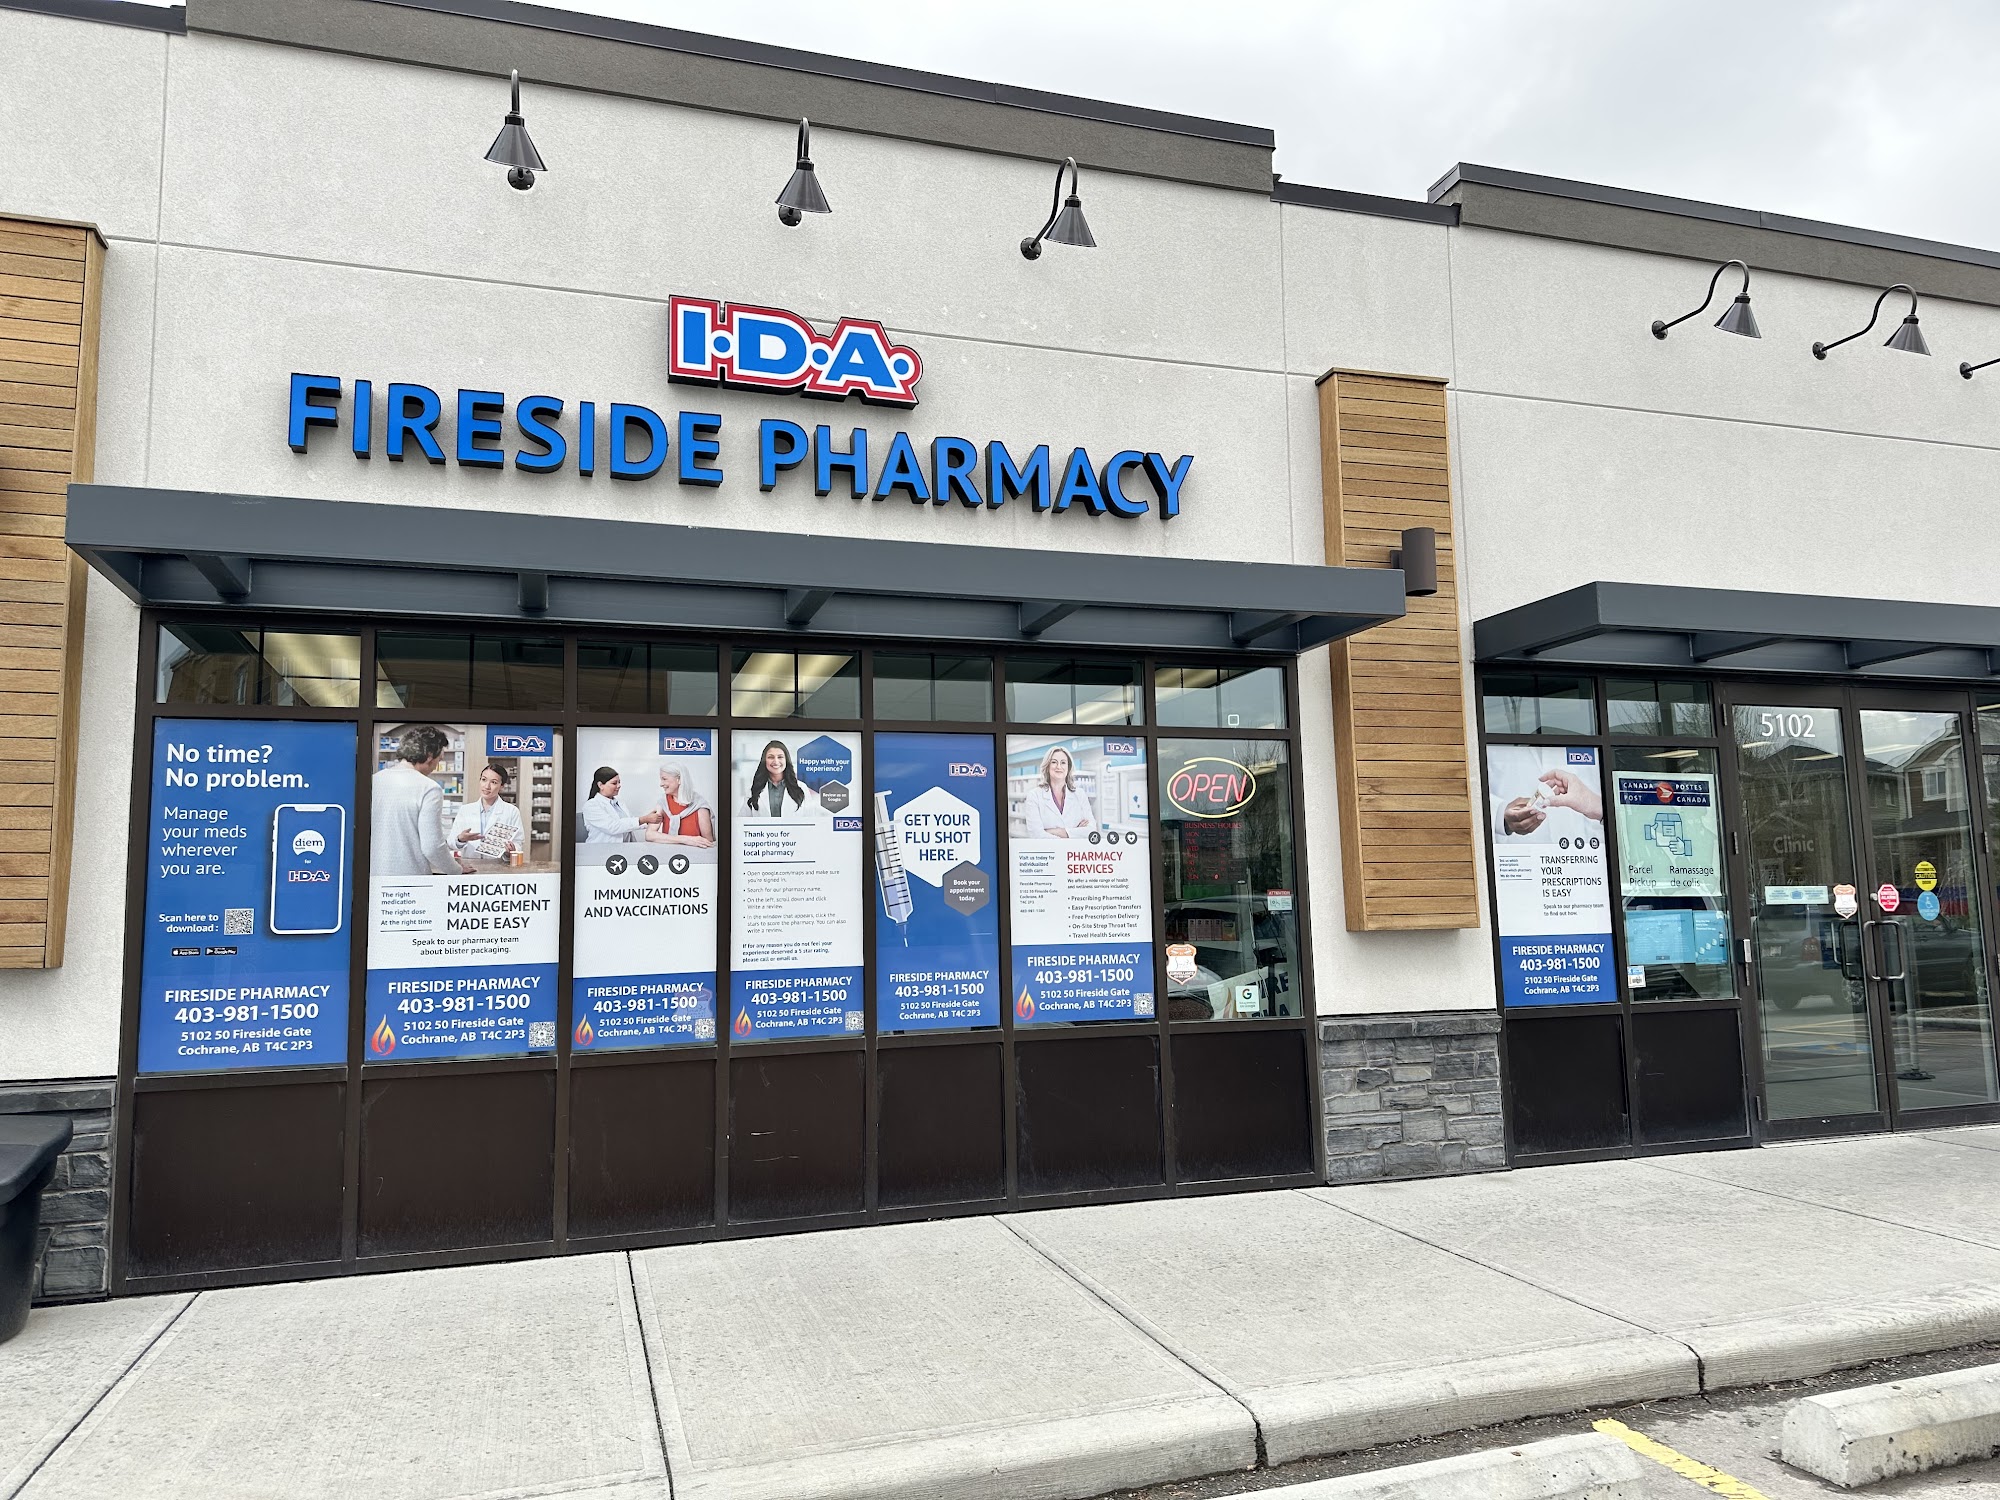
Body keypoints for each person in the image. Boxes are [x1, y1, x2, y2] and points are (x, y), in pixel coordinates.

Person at [371, 725, 455, 876]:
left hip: (373, 875)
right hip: (410, 879)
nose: (436, 766)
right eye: (439, 759)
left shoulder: (374, 780)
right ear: (429, 755)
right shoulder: (429, 788)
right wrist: (457, 870)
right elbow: (432, 848)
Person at [451, 763, 525, 863]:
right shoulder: (465, 810)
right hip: (470, 866)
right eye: (484, 780)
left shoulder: (511, 811)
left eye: (494, 782)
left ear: (502, 786)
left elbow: (518, 842)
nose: (487, 786)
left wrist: (510, 851)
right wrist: (460, 839)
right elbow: (451, 842)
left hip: (498, 867)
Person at [1021, 744, 1095, 839]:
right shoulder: (1034, 796)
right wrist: (1075, 832)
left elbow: (1091, 830)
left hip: (1074, 849)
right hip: (1049, 849)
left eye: (1063, 762)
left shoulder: (1080, 794)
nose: (1059, 766)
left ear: (1068, 767)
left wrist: (1054, 832)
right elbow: (1036, 834)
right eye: (1054, 762)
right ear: (1047, 766)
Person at [583, 766, 661, 843]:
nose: (619, 786)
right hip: (602, 849)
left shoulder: (619, 803)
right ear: (600, 785)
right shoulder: (591, 805)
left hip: (624, 848)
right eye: (614, 783)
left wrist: (648, 820)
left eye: (619, 782)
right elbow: (613, 827)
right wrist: (644, 819)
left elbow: (630, 822)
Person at [647, 761, 715, 847]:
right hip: (669, 853)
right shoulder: (663, 803)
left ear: (679, 780)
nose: (661, 784)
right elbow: (649, 835)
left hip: (694, 854)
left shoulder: (700, 806)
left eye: (664, 779)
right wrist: (685, 839)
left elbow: (708, 843)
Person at [743, 740, 814, 819]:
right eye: (771, 757)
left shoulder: (801, 788)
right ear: (764, 761)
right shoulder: (753, 790)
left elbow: (811, 820)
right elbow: (742, 821)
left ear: (786, 760)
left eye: (780, 757)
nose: (776, 761)